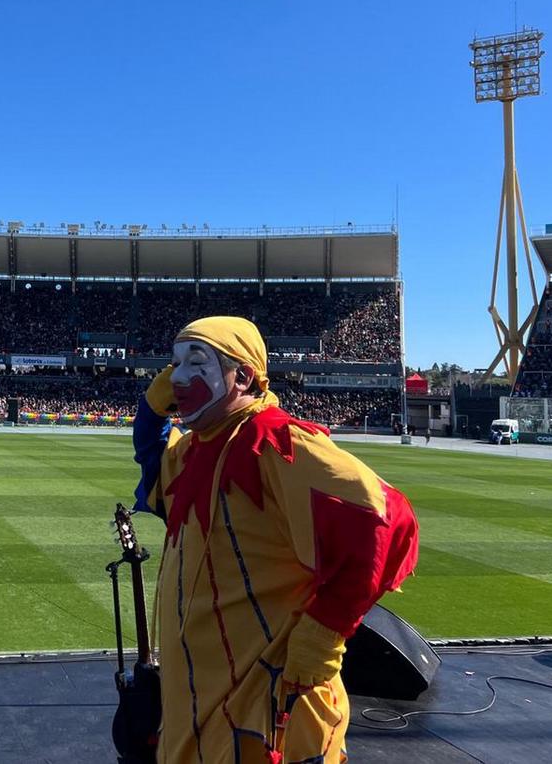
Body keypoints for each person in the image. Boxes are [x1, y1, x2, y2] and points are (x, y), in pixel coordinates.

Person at [132, 316, 419, 764]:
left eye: (196, 362)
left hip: (260, 706)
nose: (178, 378)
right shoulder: (196, 448)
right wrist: (151, 411)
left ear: (243, 376)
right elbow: (154, 466)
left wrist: (323, 633)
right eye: (174, 365)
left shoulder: (275, 441)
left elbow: (386, 520)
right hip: (196, 699)